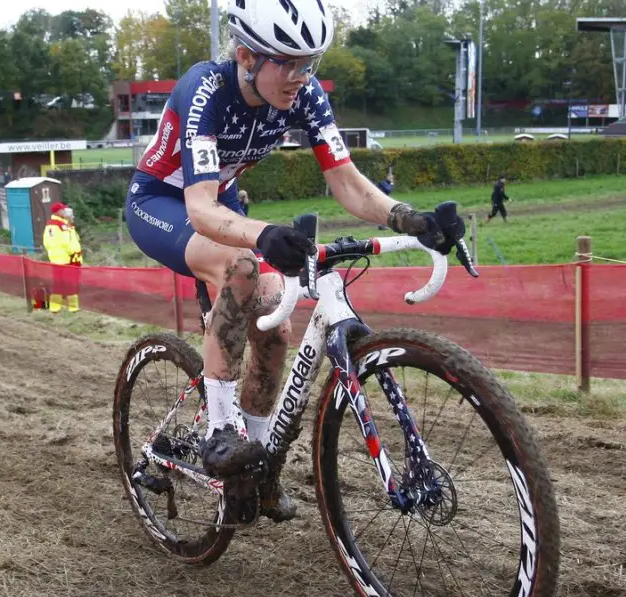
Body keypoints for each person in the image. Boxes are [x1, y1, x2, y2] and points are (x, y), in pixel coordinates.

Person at [123, 0, 471, 523]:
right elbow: (198, 207)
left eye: (310, 62)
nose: (301, 76)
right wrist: (262, 235)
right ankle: (221, 431)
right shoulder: (206, 88)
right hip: (163, 203)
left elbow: (348, 183)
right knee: (241, 267)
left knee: (274, 327)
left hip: (224, 203)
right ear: (246, 55)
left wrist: (407, 218)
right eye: (287, 62)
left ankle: (255, 469)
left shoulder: (303, 94)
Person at [42, 202, 82, 312]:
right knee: (70, 283)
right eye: (63, 210)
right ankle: (73, 307)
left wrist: (52, 252)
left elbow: (46, 242)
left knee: (57, 283)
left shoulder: (50, 224)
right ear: (58, 211)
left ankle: (55, 307)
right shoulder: (61, 225)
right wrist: (72, 253)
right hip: (66, 258)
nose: (64, 212)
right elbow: (65, 242)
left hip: (55, 258)